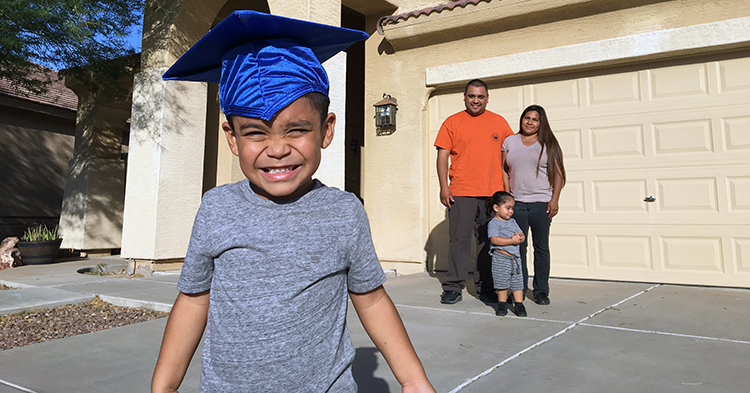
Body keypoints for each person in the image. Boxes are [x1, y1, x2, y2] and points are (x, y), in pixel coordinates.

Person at [151, 11, 435, 393]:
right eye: (255, 132)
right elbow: (194, 300)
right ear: (232, 138)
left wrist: (413, 380)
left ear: (326, 130)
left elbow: (370, 299)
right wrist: (164, 386)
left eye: (297, 129)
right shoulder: (217, 208)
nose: (278, 149)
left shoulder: (344, 212)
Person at [434, 79, 514, 304]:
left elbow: (508, 159)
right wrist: (444, 187)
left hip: (492, 195)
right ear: (464, 97)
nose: (476, 100)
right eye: (471, 96)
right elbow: (442, 156)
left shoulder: (499, 122)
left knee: (487, 242)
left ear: (487, 98)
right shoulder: (452, 122)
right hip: (461, 192)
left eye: (480, 96)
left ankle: (486, 287)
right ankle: (453, 287)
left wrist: (508, 194)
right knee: (458, 241)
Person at [501, 105, 566, 306]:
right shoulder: (510, 141)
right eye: (526, 118)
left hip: (541, 204)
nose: (529, 122)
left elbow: (559, 175)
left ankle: (540, 291)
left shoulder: (548, 143)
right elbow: (504, 170)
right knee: (518, 248)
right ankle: (518, 289)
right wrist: (507, 197)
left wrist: (554, 200)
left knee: (541, 248)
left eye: (535, 119)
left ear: (541, 123)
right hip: (517, 203)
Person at [487, 191, 527, 317]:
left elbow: (521, 234)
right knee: (502, 282)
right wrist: (511, 241)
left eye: (512, 208)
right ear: (496, 208)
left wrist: (520, 238)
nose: (511, 211)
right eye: (507, 208)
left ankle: (519, 304)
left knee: (517, 282)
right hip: (501, 257)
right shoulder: (493, 223)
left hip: (515, 259)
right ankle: (502, 304)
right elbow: (494, 239)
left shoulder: (513, 222)